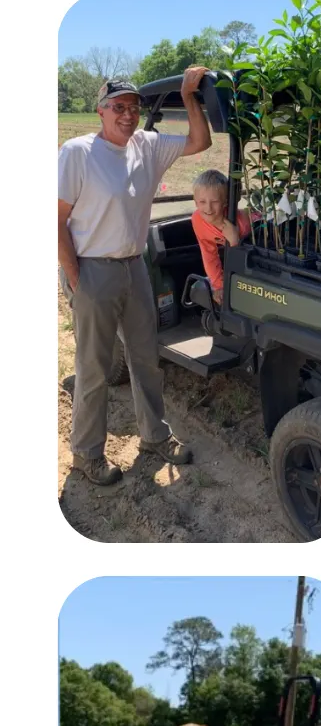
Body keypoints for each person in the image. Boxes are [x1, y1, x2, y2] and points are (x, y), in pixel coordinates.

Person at [57, 73, 209, 486]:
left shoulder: (148, 146)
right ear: (101, 110)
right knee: (94, 368)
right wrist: (77, 279)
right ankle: (87, 455)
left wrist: (187, 97)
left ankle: (154, 436)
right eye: (118, 106)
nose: (128, 115)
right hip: (94, 269)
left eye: (133, 107)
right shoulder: (78, 153)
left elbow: (200, 142)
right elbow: (56, 221)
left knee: (145, 358)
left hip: (135, 267)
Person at [189, 169, 255, 297]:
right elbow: (209, 254)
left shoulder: (242, 222)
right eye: (202, 202)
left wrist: (235, 242)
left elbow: (252, 260)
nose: (208, 208)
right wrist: (219, 286)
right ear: (195, 202)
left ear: (225, 202)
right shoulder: (197, 219)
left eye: (214, 202)